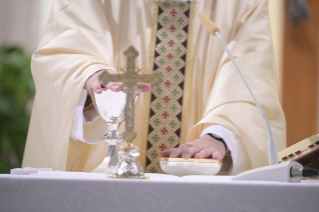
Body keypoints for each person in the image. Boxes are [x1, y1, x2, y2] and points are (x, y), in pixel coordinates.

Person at [23, 0, 286, 175]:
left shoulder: (243, 4)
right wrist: (92, 75)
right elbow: (61, 53)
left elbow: (250, 87)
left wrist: (217, 138)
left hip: (198, 191)